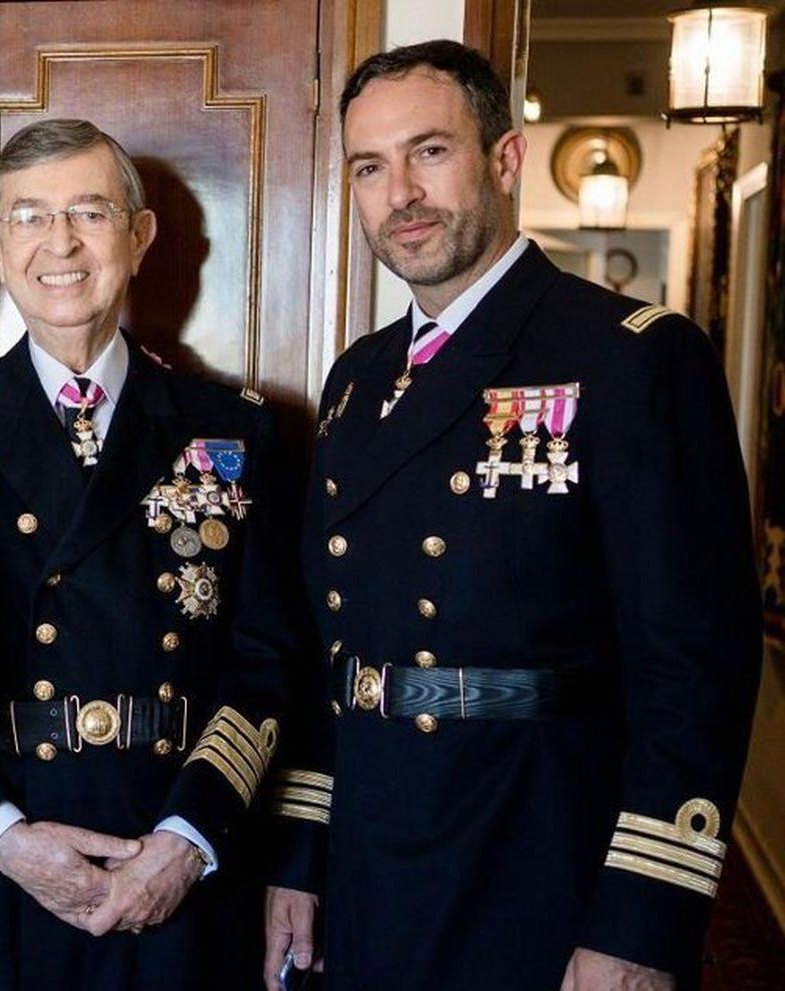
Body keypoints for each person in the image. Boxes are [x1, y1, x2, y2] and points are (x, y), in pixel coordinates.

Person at [263, 40, 761, 991]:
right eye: (370, 167)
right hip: (369, 861)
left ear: (504, 159)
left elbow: (695, 667)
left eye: (430, 152)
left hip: (542, 859)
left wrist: (642, 922)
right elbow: (333, 650)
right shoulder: (358, 379)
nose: (399, 192)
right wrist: (300, 854)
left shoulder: (631, 357)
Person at [0, 118, 303, 989]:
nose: (59, 243)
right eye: (28, 216)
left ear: (139, 237)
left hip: (174, 855)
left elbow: (268, 664)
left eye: (89, 213)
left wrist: (186, 841)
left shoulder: (233, 429)